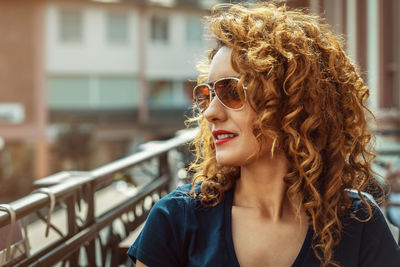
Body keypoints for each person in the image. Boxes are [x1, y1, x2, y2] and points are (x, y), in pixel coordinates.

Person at [128, 2, 400, 266]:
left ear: (294, 102)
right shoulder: (176, 218)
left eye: (231, 91)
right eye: (207, 95)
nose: (210, 113)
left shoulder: (359, 223)